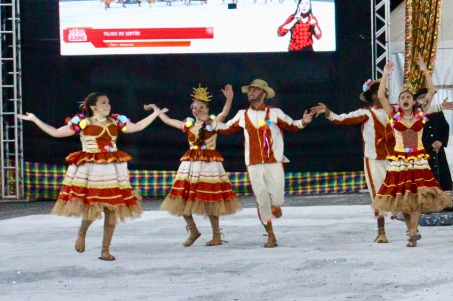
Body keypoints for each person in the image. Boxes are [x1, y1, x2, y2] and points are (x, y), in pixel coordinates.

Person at [21, 94, 163, 260]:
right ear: (94, 107)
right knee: (93, 207)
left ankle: (105, 250)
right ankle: (82, 233)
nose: (107, 105)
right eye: (103, 103)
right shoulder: (83, 122)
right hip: (92, 169)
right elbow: (56, 133)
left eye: (108, 102)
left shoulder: (115, 121)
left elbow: (137, 127)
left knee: (112, 209)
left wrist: (155, 114)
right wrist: (34, 119)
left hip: (112, 170)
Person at [218, 78, 317, 247]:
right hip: (254, 163)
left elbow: (292, 125)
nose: (251, 92)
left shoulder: (275, 112)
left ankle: (276, 207)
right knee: (262, 199)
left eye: (255, 90)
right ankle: (270, 235)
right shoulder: (243, 114)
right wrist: (209, 122)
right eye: (250, 90)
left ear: (264, 93)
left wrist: (304, 121)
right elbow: (226, 129)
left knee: (277, 199)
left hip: (274, 161)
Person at [149, 83, 240, 247]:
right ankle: (193, 230)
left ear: (207, 108)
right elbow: (169, 121)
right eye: (195, 108)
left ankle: (216, 236)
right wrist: (157, 111)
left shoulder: (213, 122)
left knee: (211, 200)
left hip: (209, 165)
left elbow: (224, 113)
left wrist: (230, 99)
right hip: (190, 165)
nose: (198, 110)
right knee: (182, 199)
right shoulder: (188, 125)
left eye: (201, 107)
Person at [372, 69, 453, 246]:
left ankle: (414, 230)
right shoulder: (394, 115)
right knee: (404, 201)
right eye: (402, 98)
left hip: (418, 161)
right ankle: (411, 233)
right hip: (400, 162)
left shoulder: (421, 114)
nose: (405, 99)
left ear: (413, 101)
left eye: (408, 97)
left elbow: (431, 92)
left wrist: (425, 71)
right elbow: (381, 97)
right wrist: (385, 76)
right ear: (399, 102)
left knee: (415, 199)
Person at [317, 73, 397, 243]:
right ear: (372, 96)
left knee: (400, 192)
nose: (383, 94)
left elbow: (417, 113)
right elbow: (341, 119)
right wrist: (328, 112)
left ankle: (410, 229)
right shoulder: (365, 113)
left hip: (395, 159)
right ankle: (381, 231)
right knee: (378, 195)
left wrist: (438, 106)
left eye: (384, 91)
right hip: (374, 160)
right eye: (378, 91)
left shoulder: (395, 111)